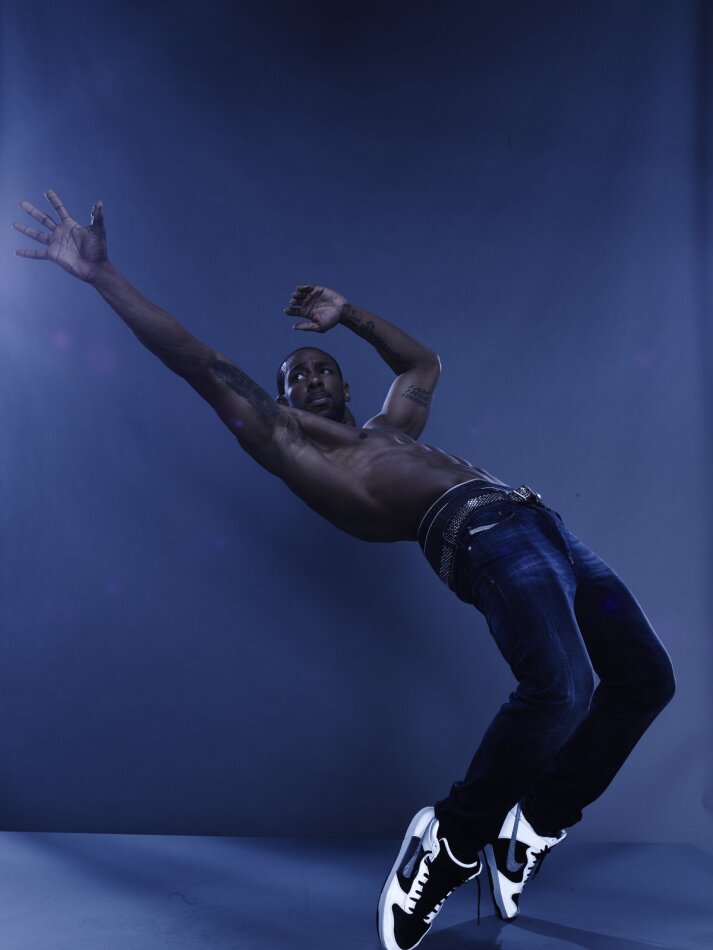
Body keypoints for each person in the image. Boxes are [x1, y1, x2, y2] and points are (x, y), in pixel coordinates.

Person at [14, 191, 676, 950]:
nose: (310, 378)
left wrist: (349, 315)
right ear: (278, 398)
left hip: (542, 524)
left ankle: (535, 824)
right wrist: (102, 275)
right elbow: (199, 360)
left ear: (346, 386)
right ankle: (451, 842)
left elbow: (422, 363)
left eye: (321, 368)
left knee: (645, 679)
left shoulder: (389, 430)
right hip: (482, 535)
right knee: (560, 690)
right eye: (295, 375)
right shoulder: (286, 441)